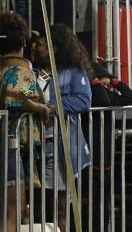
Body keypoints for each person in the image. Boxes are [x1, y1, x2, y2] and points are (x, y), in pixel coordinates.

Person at [30, 25, 92, 232]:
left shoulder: (72, 72)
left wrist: (53, 107)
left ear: (54, 48)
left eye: (41, 45)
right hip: (33, 144)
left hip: (58, 144)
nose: (36, 48)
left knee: (60, 204)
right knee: (37, 203)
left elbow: (84, 100)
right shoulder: (31, 71)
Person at [0, 12, 53, 232]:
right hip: (12, 146)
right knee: (13, 210)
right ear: (22, 41)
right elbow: (12, 96)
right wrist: (40, 107)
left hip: (10, 145)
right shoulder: (20, 71)